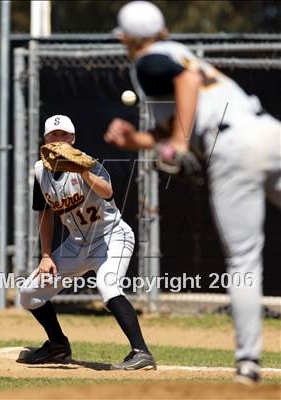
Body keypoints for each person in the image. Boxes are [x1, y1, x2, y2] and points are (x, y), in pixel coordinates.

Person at [104, 1, 281, 383]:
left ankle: (248, 364)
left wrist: (182, 145)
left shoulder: (148, 60)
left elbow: (185, 88)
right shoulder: (178, 52)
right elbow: (172, 125)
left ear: (125, 38)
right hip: (269, 132)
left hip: (232, 149)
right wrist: (135, 139)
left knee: (244, 260)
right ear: (164, 28)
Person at [20, 114, 156, 370]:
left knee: (108, 286)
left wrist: (82, 171)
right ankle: (58, 346)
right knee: (28, 293)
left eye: (63, 136)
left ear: (73, 139)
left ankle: (141, 352)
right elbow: (45, 213)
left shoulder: (88, 163)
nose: (58, 141)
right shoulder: (40, 171)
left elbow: (108, 192)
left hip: (111, 236)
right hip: (78, 243)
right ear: (45, 140)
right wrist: (46, 255)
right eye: (53, 135)